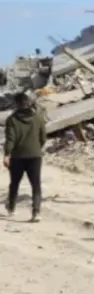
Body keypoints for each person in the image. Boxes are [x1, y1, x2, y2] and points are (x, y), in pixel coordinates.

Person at [3, 92, 47, 222]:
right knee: (36, 184)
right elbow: (43, 137)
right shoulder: (38, 117)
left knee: (14, 183)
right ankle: (36, 212)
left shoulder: (11, 120)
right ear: (28, 103)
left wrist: (7, 154)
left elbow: (10, 139)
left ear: (16, 104)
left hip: (17, 157)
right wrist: (36, 148)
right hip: (35, 156)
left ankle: (11, 208)